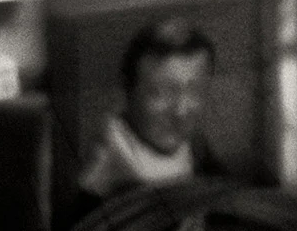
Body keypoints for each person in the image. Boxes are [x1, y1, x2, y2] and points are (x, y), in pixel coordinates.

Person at [77, 18, 222, 204]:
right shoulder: (106, 161)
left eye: (195, 90)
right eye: (162, 93)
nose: (181, 110)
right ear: (129, 93)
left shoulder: (196, 147)